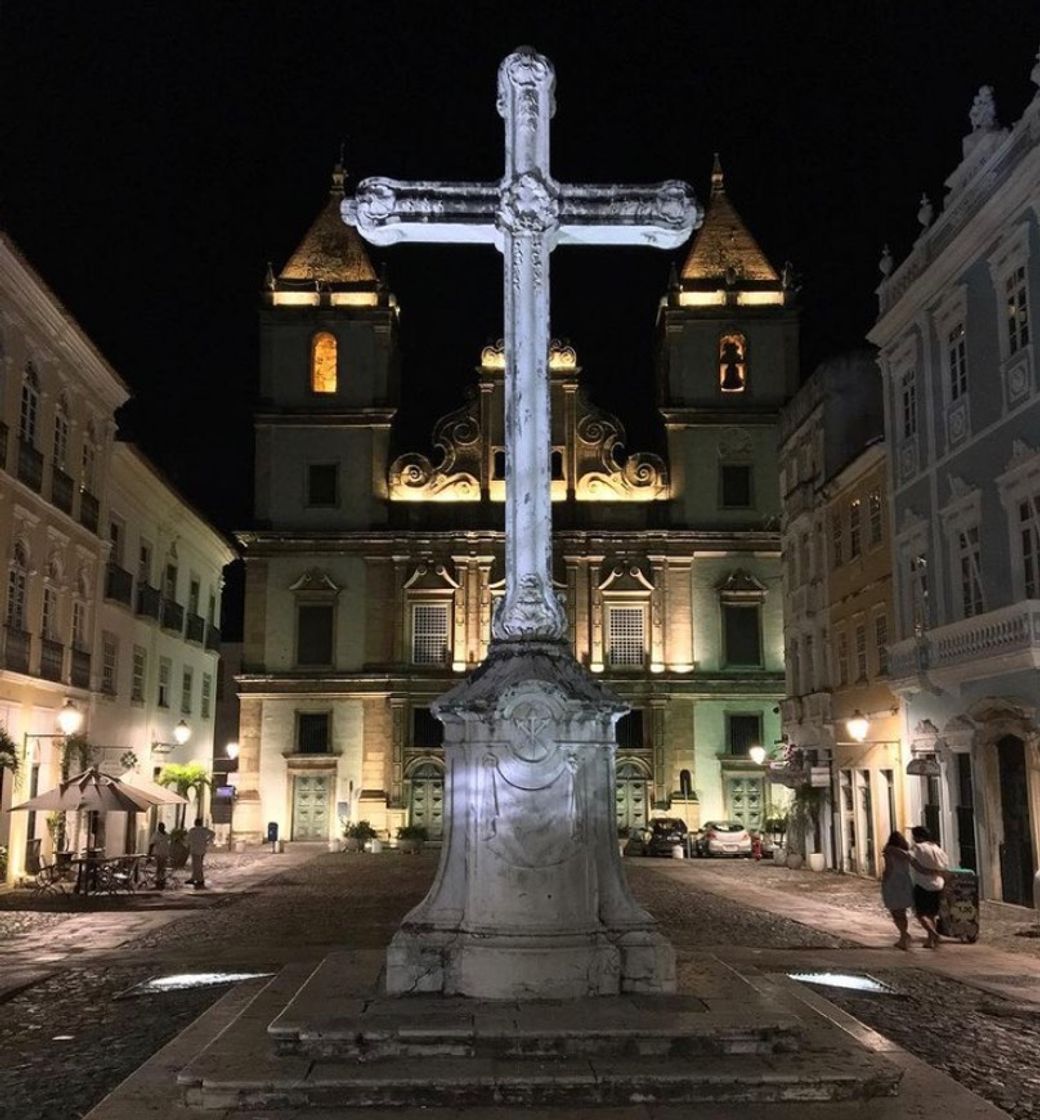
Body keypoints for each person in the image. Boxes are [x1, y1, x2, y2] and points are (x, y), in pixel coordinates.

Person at [909, 825, 949, 949]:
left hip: (923, 884)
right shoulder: (936, 848)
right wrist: (936, 872)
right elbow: (945, 865)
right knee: (932, 913)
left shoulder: (917, 848)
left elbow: (915, 864)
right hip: (938, 884)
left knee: (920, 913)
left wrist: (927, 871)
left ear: (917, 837)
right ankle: (930, 940)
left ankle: (933, 933)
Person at [880, 830, 914, 949]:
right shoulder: (907, 853)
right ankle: (904, 935)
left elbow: (889, 868)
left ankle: (904, 936)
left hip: (893, 882)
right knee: (902, 910)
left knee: (895, 910)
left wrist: (884, 881)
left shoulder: (889, 852)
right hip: (905, 881)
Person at [186, 817, 216, 889]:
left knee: (195, 865)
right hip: (202, 849)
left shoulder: (192, 830)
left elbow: (188, 839)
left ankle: (199, 879)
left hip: (194, 849)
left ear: (195, 823)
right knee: (199, 864)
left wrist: (188, 845)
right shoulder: (204, 830)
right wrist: (207, 840)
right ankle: (196, 878)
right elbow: (213, 833)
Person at [148, 821, 171, 889]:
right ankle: (158, 879)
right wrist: (149, 853)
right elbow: (151, 844)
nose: (162, 828)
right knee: (159, 867)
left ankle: (162, 878)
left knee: (163, 867)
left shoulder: (166, 834)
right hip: (158, 853)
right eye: (160, 827)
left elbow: (169, 842)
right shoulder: (156, 835)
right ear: (158, 828)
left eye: (163, 827)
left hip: (165, 853)